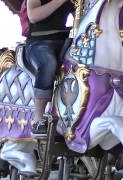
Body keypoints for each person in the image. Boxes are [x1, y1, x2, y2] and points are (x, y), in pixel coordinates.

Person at [26, 0, 74, 134]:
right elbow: (33, 15)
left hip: (64, 40)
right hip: (40, 42)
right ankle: (38, 118)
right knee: (48, 63)